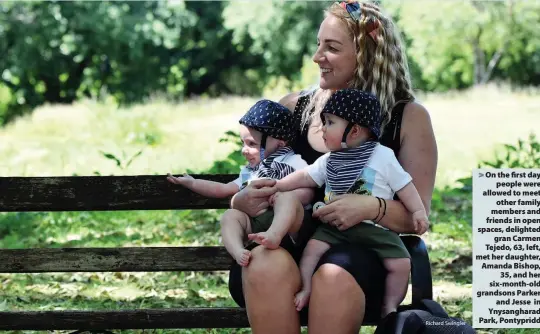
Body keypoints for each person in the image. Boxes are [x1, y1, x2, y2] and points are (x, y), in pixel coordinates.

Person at [227, 1, 438, 333]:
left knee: (332, 276)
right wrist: (242, 200)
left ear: (368, 55)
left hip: (359, 256)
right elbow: (249, 181)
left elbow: (418, 217)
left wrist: (372, 206)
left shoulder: (408, 119)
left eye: (332, 47)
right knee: (264, 262)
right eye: (318, 44)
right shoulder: (294, 109)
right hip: (285, 245)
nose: (317, 57)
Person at [275, 88, 430, 316]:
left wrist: (417, 211)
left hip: (376, 229)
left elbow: (404, 186)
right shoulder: (330, 160)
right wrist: (278, 185)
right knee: (311, 252)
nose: (322, 128)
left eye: (329, 122)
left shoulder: (383, 156)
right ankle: (306, 288)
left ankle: (389, 305)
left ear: (354, 130)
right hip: (333, 228)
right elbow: (306, 176)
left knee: (400, 264)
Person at [167, 99, 313, 267]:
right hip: (258, 226)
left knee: (287, 198)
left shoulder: (293, 162)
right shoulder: (251, 171)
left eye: (252, 144)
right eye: (243, 143)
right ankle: (238, 251)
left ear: (280, 143)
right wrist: (193, 183)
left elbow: (308, 192)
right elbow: (223, 189)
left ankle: (274, 234)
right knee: (230, 216)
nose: (244, 150)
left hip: (290, 227)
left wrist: (277, 196)